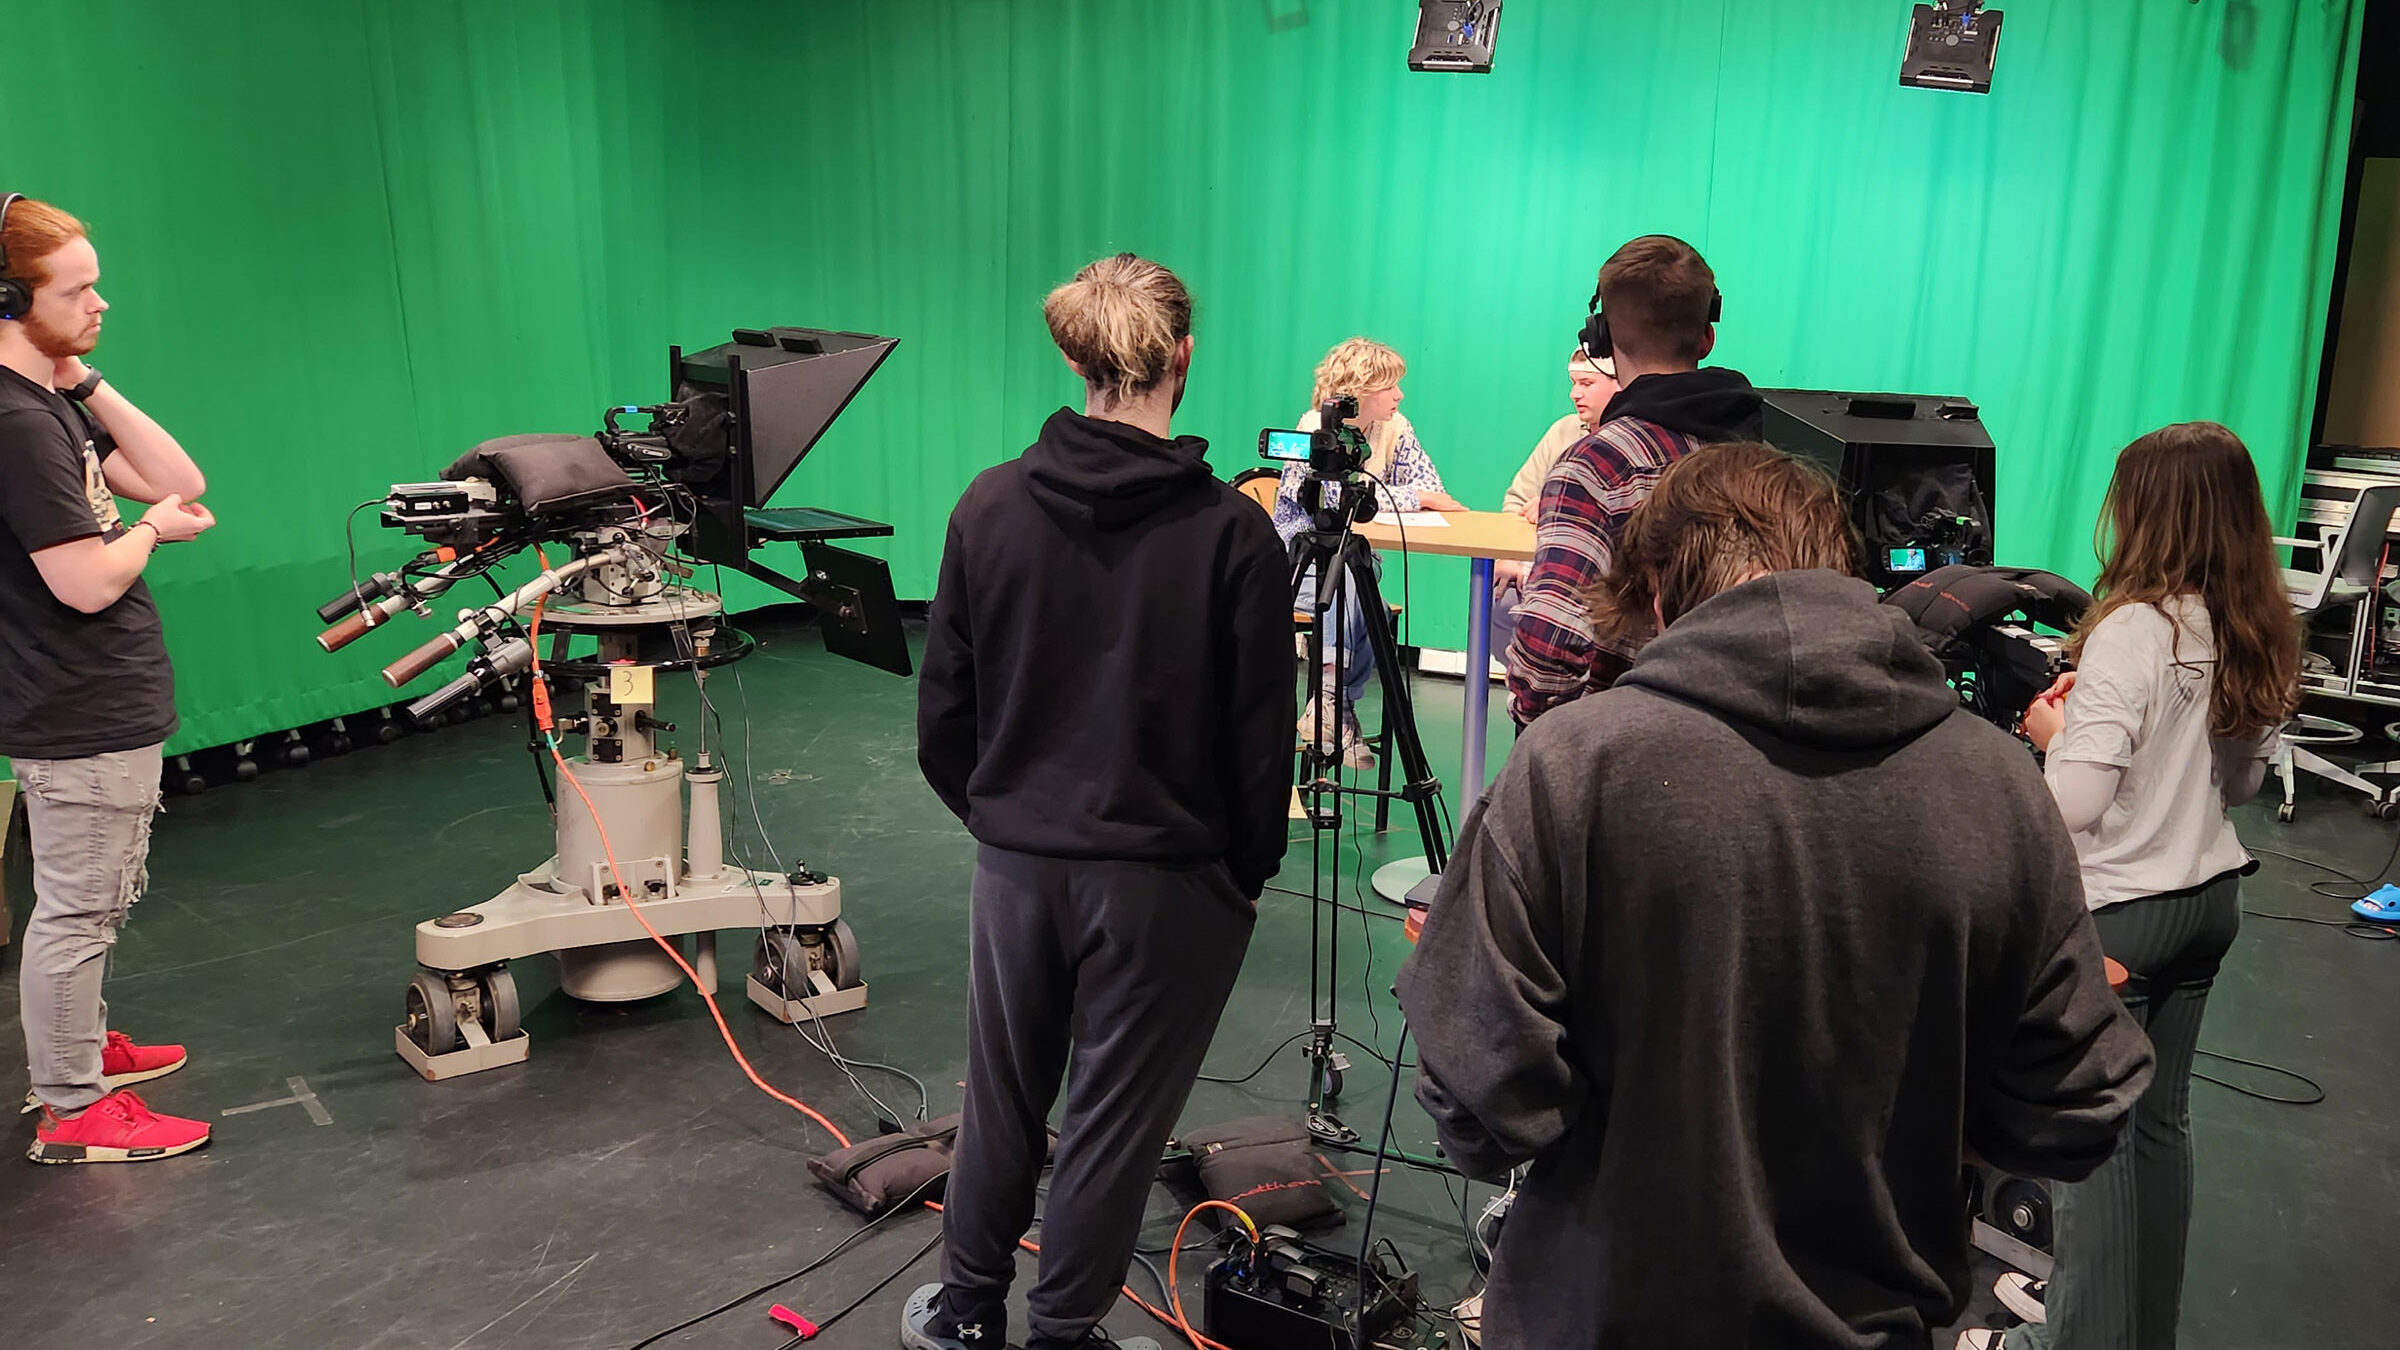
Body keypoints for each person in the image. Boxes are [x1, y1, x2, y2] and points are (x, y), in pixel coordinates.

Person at [1395, 442, 2155, 1350]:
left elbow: (1485, 1109)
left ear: (1664, 594)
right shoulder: (1997, 782)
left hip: (1602, 1316)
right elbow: (2075, 1108)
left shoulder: (1576, 765)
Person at [907, 254, 1294, 1350]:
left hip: (1020, 868)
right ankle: (1064, 1335)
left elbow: (946, 717)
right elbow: (1259, 753)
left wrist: (1009, 818)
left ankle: (965, 1316)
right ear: (1183, 358)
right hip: (1170, 885)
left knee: (1001, 1103)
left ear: (1074, 359)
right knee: (1111, 1132)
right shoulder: (1234, 536)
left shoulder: (987, 507)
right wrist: (1239, 878)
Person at [1960, 424, 2293, 1350]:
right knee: (2159, 1130)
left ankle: (2069, 1342)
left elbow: (2074, 801)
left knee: (2092, 1147)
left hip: (2119, 915)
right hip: (2209, 905)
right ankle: (2137, 1333)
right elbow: (2244, 785)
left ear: (2145, 512)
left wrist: (2043, 731)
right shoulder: (2254, 625)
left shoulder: (2132, 633)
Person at [1, 195, 217, 1165]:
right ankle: (73, 1107)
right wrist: (149, 533)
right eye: (77, 292)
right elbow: (84, 580)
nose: (101, 303)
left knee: (95, 898)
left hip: (98, 701)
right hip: (75, 706)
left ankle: (80, 1049)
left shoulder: (50, 404)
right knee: (77, 911)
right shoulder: (15, 425)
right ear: (12, 299)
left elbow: (181, 473)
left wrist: (82, 377)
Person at [1505, 234, 1763, 728]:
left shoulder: (1599, 464)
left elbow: (1549, 643)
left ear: (1600, 339)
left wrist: (1542, 733)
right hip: (1740, 741)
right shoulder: (1763, 457)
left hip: (1621, 744)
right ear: (1707, 338)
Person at [1271, 337, 1465, 769]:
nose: (1400, 395)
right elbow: (1324, 498)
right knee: (1357, 593)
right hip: (1300, 567)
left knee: (1364, 592)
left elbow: (1431, 487)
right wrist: (1411, 497)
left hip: (1354, 563)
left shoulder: (1396, 428)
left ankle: (1329, 709)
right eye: (1391, 386)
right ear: (1359, 389)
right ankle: (1336, 709)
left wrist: (1409, 495)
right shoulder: (1312, 428)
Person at [1490, 348, 1618, 659]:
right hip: (1546, 567)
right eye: (1573, 383)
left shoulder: (1637, 439)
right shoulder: (1563, 431)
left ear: (1619, 383)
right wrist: (1507, 558)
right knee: (1501, 603)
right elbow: (1517, 499)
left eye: (1586, 383)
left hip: (1604, 577)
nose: (1575, 394)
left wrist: (1554, 505)